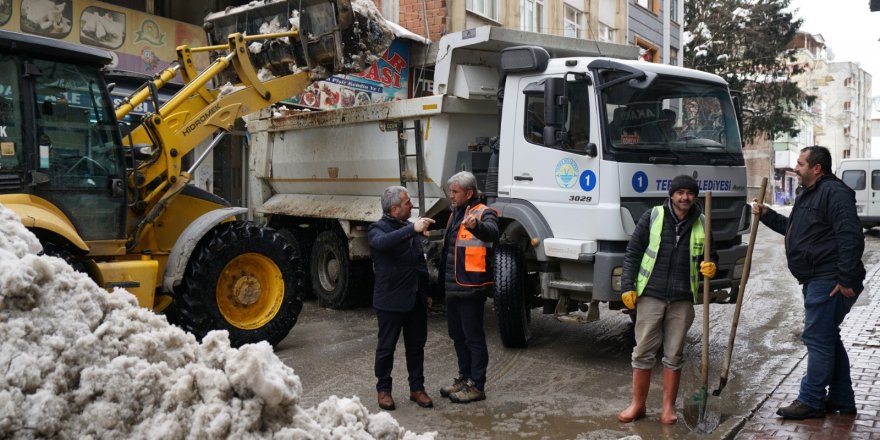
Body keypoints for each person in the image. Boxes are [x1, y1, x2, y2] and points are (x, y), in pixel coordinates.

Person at [753, 146, 865, 420]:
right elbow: (794, 229)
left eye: (801, 163)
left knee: (817, 339)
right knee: (828, 338)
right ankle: (841, 399)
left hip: (827, 280)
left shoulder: (834, 193)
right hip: (817, 278)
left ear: (817, 168)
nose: (796, 167)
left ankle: (811, 399)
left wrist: (846, 278)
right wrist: (767, 215)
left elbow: (851, 235)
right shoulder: (809, 193)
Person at [617, 174, 717, 424]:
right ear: (671, 194)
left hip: (683, 299)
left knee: (674, 354)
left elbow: (711, 254)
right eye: (680, 192)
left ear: (695, 197)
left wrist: (712, 266)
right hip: (651, 294)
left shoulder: (703, 223)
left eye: (690, 193)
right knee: (642, 352)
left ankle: (668, 409)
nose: (685, 197)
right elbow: (633, 253)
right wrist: (628, 286)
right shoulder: (653, 217)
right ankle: (637, 405)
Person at [368, 186, 436, 411]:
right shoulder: (377, 229)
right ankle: (384, 390)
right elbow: (382, 244)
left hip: (415, 300)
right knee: (386, 348)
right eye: (407, 203)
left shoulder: (409, 229)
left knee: (416, 347)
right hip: (390, 301)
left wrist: (426, 293)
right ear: (395, 208)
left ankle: (417, 388)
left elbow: (419, 263)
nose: (412, 205)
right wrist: (412, 230)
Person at [438, 171, 499, 404]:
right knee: (458, 336)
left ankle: (477, 385)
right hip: (453, 287)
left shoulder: (483, 212)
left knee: (473, 337)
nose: (451, 196)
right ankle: (464, 378)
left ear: (469, 193)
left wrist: (476, 226)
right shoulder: (455, 214)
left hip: (471, 287)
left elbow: (492, 233)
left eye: (455, 192)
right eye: (450, 192)